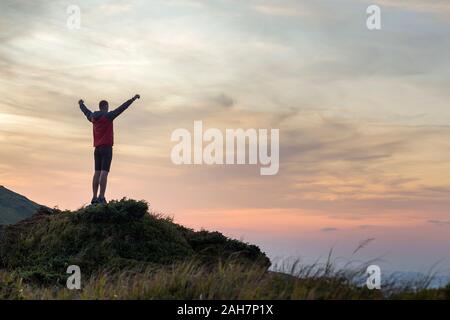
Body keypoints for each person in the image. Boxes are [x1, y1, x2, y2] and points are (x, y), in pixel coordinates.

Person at [79, 94, 140, 204]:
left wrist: (81, 104)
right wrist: (132, 99)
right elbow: (122, 108)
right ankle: (101, 197)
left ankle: (94, 197)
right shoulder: (108, 116)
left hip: (97, 149)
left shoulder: (93, 117)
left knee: (96, 172)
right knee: (104, 172)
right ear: (106, 106)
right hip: (106, 148)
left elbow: (85, 111)